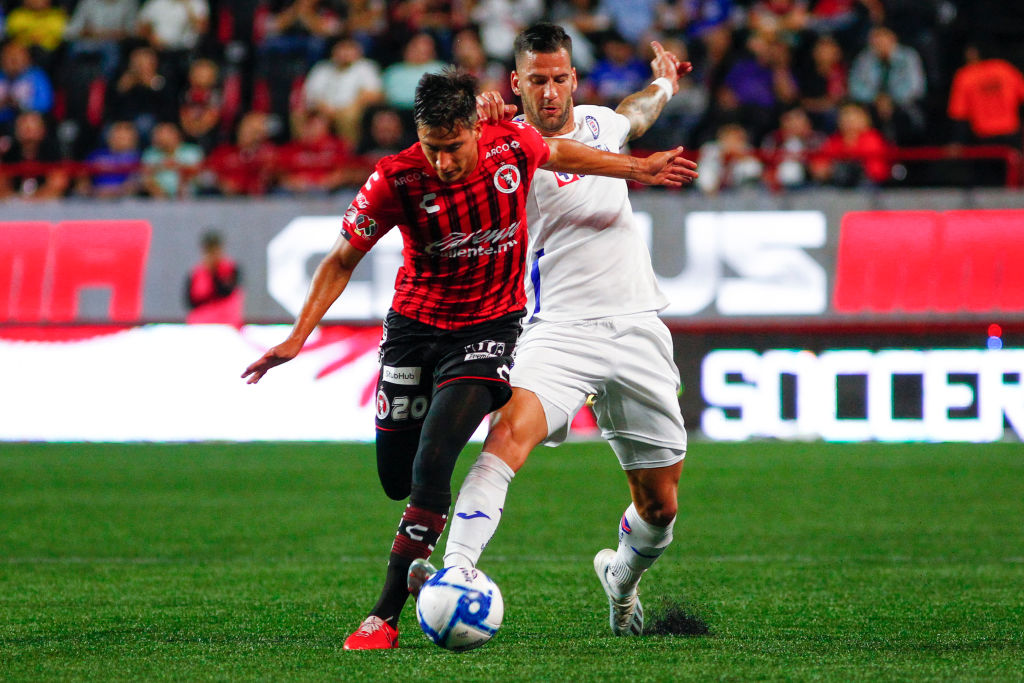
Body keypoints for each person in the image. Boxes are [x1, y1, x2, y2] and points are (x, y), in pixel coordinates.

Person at [241, 67, 697, 650]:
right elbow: (338, 260)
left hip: (489, 327)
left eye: (453, 148)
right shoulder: (394, 178)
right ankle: (433, 557)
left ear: (473, 133)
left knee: (441, 457)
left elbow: (563, 152)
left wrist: (640, 168)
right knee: (397, 477)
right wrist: (297, 336)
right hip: (414, 327)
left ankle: (390, 612)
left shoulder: (512, 146)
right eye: (433, 149)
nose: (445, 163)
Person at [414, 23, 694, 639]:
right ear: (515, 83)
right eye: (535, 80)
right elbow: (464, 161)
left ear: (573, 78)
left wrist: (664, 84)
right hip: (558, 331)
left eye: (558, 78)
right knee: (508, 433)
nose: (548, 91)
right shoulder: (497, 148)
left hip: (638, 324)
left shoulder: (600, 125)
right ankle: (456, 569)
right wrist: (479, 114)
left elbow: (633, 114)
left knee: (660, 507)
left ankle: (622, 577)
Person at [186, 230, 243, 325]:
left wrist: (213, 272)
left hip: (227, 323)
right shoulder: (196, 273)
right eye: (209, 250)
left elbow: (226, 292)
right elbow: (191, 302)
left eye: (215, 250)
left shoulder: (231, 269)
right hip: (201, 324)